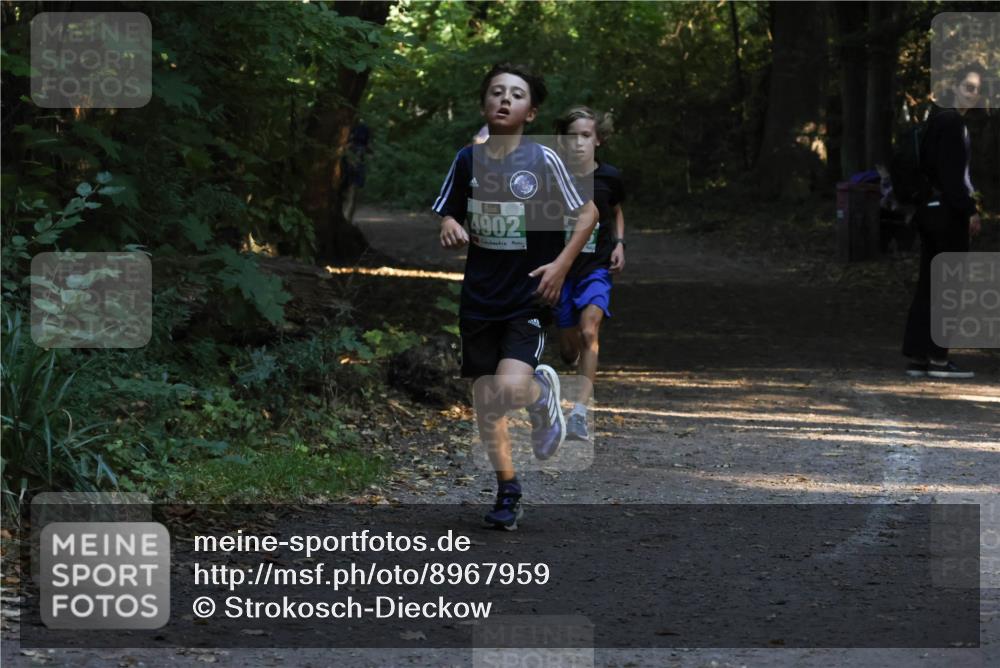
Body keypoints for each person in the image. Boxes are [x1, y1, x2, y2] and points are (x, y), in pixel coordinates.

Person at [432, 63, 599, 529]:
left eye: (516, 94)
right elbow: (448, 212)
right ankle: (507, 489)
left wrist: (560, 266)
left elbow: (587, 214)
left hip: (528, 295)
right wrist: (449, 224)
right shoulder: (468, 159)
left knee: (504, 390)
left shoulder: (543, 159)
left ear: (531, 112)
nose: (505, 99)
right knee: (487, 402)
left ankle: (541, 392)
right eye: (496, 92)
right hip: (479, 299)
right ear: (484, 103)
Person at [902, 62, 985, 379]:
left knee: (929, 282)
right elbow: (952, 177)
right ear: (955, 87)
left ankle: (919, 356)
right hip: (947, 214)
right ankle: (938, 358)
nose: (973, 94)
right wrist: (969, 210)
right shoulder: (952, 123)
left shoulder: (937, 120)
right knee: (948, 284)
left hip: (929, 210)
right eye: (968, 87)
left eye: (977, 90)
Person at [553, 107, 626, 441]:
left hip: (596, 267)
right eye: (572, 137)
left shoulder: (610, 176)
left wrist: (620, 244)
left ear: (598, 139)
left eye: (585, 135)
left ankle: (579, 414)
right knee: (569, 349)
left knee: (589, 331)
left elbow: (617, 211)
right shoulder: (553, 176)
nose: (579, 142)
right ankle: (572, 360)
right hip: (561, 271)